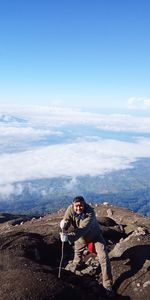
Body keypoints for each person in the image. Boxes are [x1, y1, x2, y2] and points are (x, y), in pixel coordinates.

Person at [59, 196, 113, 297]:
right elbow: (67, 219)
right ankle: (77, 265)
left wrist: (68, 237)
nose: (79, 208)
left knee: (104, 257)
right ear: (73, 205)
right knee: (77, 254)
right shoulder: (70, 209)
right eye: (77, 206)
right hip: (80, 239)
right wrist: (64, 224)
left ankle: (107, 284)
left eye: (81, 206)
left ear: (85, 205)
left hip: (95, 236)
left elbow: (82, 229)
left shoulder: (90, 213)